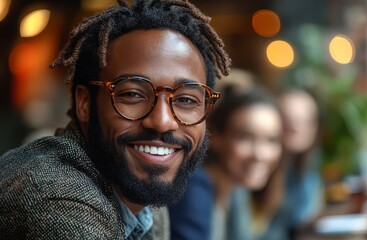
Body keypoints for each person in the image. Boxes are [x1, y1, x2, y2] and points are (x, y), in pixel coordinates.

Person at [0, 0, 230, 238]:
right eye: (132, 94)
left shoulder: (140, 189)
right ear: (85, 104)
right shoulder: (55, 194)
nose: (162, 121)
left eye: (186, 100)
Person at [168, 71, 284, 240]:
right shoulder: (194, 188)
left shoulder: (235, 192)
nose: (260, 154)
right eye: (245, 137)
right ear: (216, 137)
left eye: (271, 140)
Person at [279, 88, 324, 238]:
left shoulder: (308, 164)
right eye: (288, 118)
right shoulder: (258, 170)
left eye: (304, 120)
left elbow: (305, 219)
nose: (295, 127)